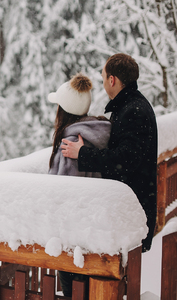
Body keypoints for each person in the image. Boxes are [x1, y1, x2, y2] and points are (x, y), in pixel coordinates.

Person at [61, 53, 158, 253]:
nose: (104, 82)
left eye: (104, 77)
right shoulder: (130, 106)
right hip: (129, 209)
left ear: (112, 80)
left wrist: (82, 154)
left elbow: (124, 159)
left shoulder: (134, 111)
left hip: (131, 212)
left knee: (124, 277)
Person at [48, 72, 111, 298]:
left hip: (75, 236)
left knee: (73, 291)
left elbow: (65, 190)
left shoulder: (71, 143)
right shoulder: (95, 133)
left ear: (63, 111)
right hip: (93, 230)